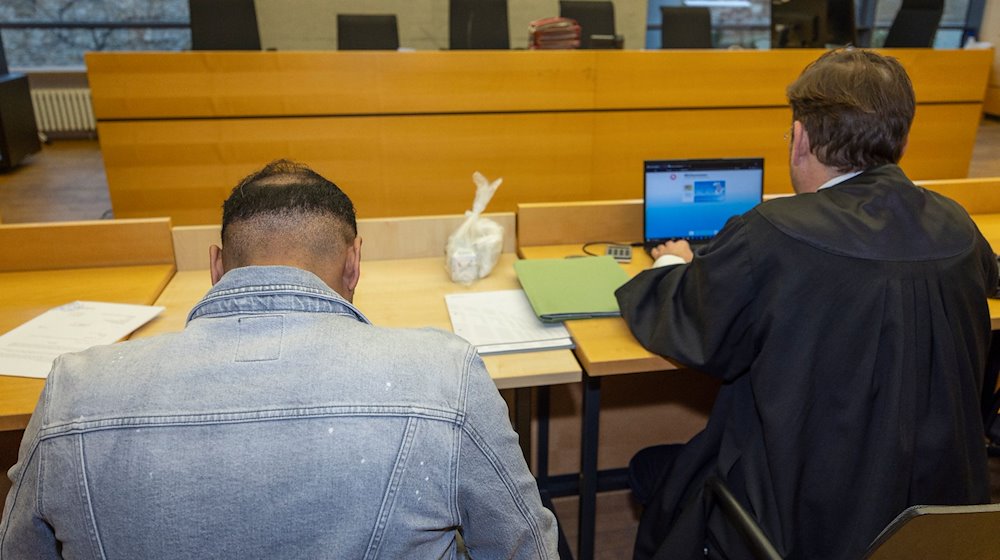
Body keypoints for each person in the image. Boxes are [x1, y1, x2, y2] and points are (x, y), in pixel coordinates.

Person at [1, 160, 559, 559]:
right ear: (355, 263)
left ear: (216, 266)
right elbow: (524, 548)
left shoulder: (73, 391)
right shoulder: (444, 375)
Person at [616, 48, 998, 560]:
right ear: (902, 141)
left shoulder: (771, 232)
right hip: (934, 519)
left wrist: (671, 265)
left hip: (801, 518)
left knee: (673, 476)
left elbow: (686, 320)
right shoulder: (955, 223)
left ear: (799, 138)